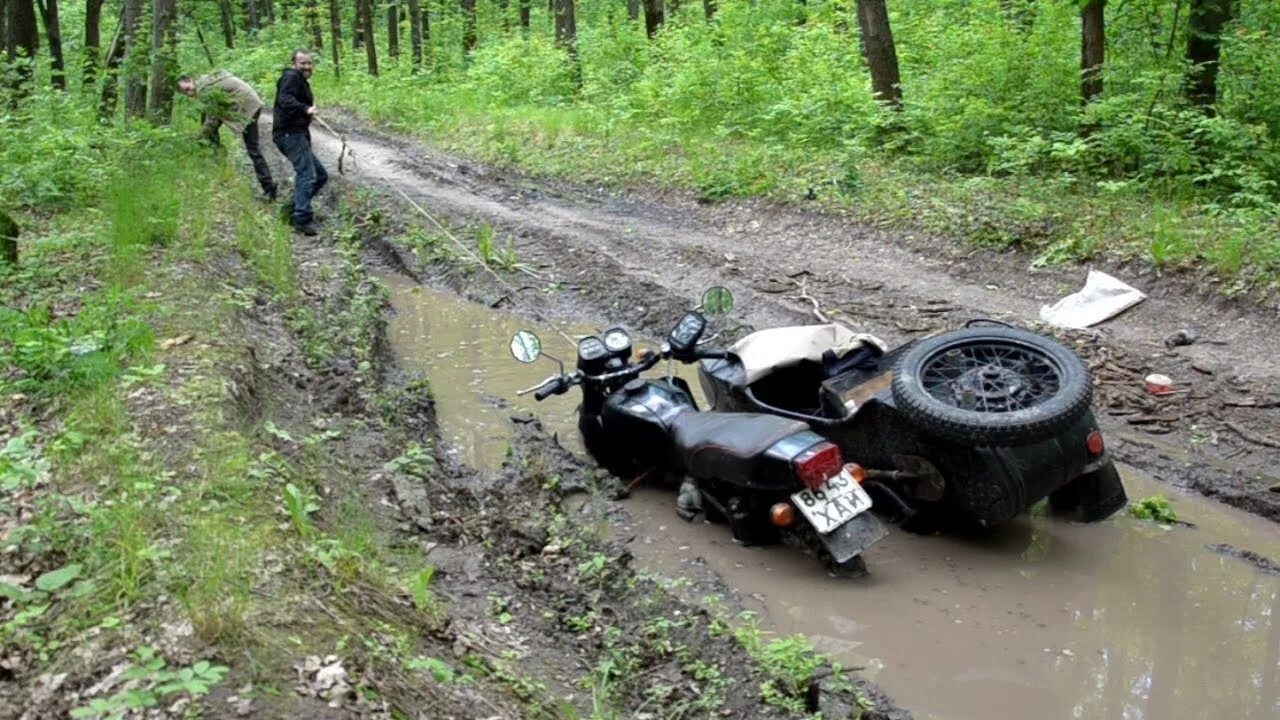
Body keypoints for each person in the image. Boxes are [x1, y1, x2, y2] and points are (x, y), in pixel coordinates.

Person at [177, 71, 277, 201]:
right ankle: (219, 165)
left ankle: (269, 189)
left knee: (253, 149)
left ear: (191, 80)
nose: (190, 93)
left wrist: (199, 137)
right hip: (252, 101)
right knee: (208, 124)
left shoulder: (205, 90)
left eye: (188, 89)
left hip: (248, 107)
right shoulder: (207, 80)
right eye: (185, 93)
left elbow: (212, 120)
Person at [272, 49, 327, 237]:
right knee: (308, 174)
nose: (307, 67)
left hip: (296, 134)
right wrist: (305, 109)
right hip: (289, 134)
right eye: (303, 63)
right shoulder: (291, 77)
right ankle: (302, 220)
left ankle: (291, 210)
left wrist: (306, 111)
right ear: (294, 63)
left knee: (320, 175)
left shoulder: (299, 80)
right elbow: (285, 100)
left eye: (309, 63)